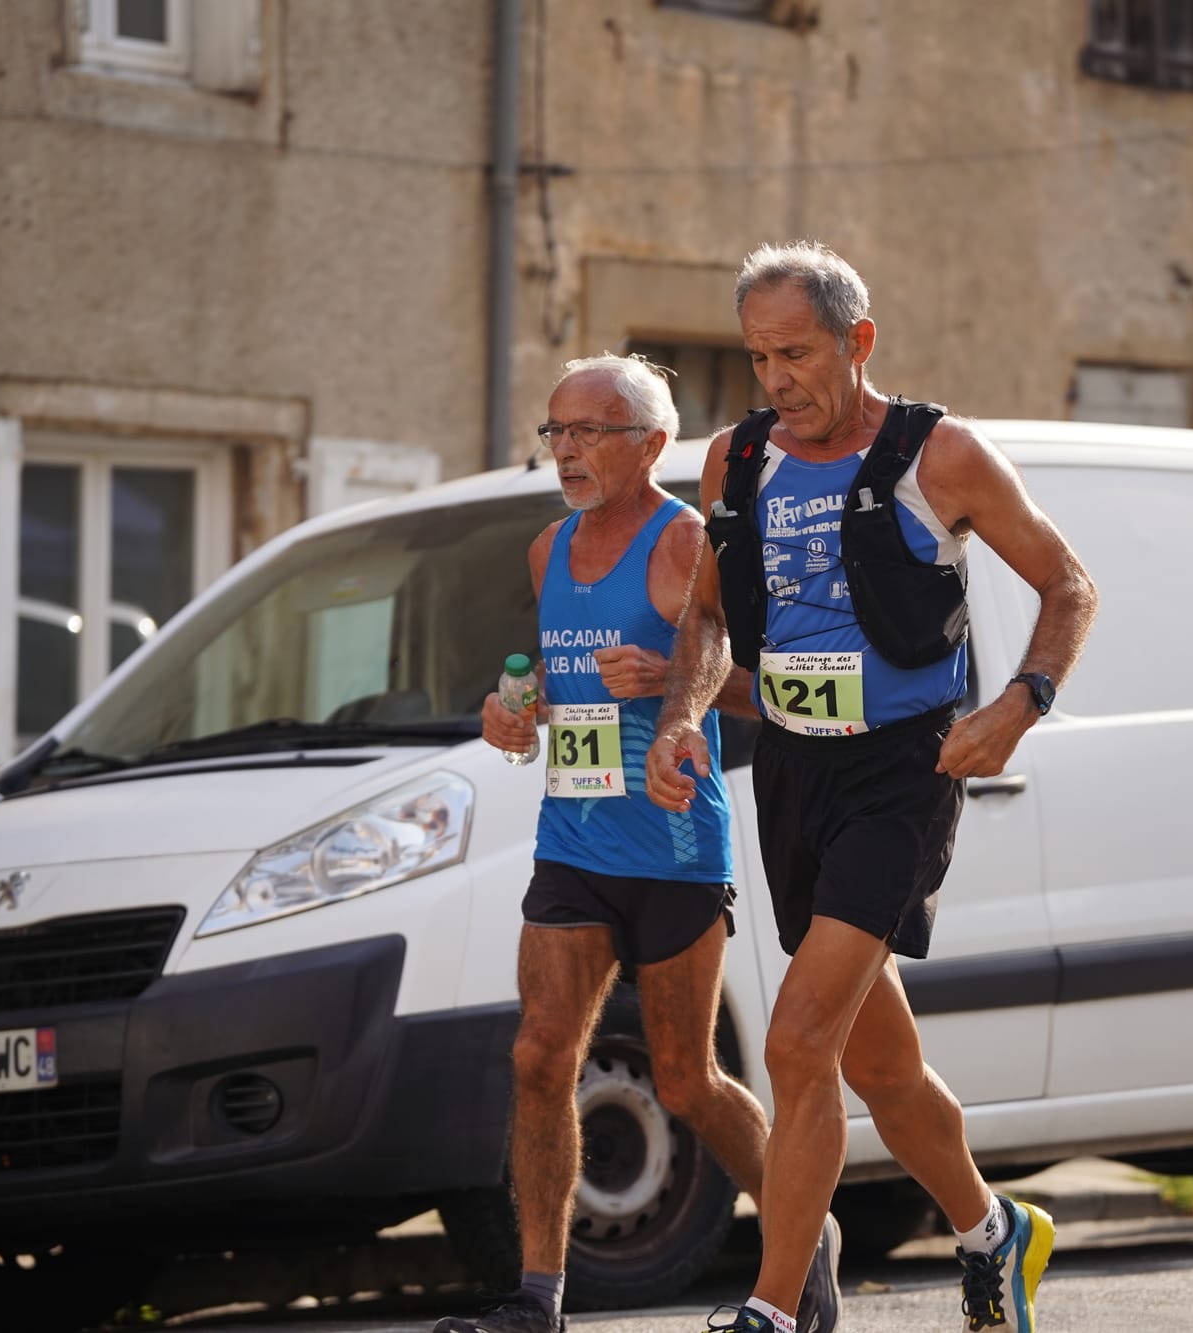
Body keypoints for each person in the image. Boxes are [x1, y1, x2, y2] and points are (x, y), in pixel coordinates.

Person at [646, 243, 1098, 1333]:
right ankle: (994, 1230)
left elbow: (1067, 584)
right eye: (758, 358)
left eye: (795, 353)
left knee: (796, 1043)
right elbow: (708, 614)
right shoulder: (735, 461)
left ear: (857, 341)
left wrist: (1019, 703)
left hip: (904, 769)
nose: (777, 379)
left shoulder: (936, 455)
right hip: (794, 766)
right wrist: (681, 711)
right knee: (878, 1066)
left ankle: (772, 1310)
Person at [436, 354, 841, 1333]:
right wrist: (513, 711)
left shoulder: (685, 542)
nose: (565, 452)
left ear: (650, 445)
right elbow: (546, 682)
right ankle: (537, 1297)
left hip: (669, 846)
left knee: (685, 1078)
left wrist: (672, 686)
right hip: (572, 838)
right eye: (555, 431)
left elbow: (746, 673)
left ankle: (805, 1237)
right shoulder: (547, 549)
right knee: (539, 1056)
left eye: (587, 432)